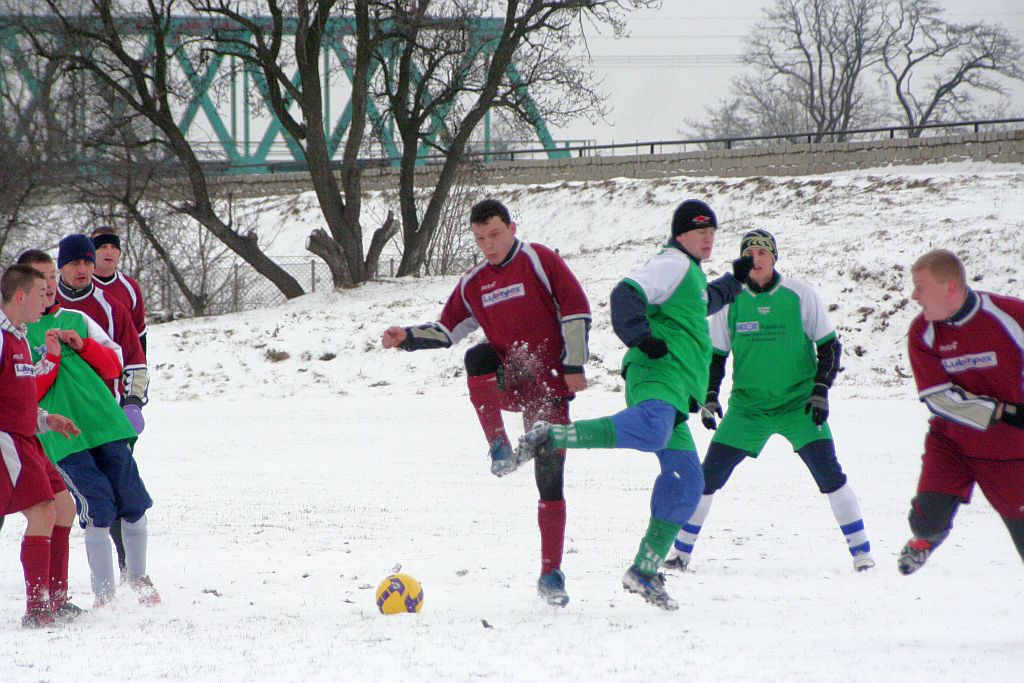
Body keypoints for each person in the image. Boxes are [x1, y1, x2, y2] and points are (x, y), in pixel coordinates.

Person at [514, 199, 753, 610]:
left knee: (688, 482)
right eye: (700, 230)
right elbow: (626, 293)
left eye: (713, 231)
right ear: (681, 235)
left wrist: (736, 279)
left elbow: (704, 302)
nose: (708, 237)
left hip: (677, 388)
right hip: (656, 374)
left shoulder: (690, 272)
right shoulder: (672, 262)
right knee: (651, 430)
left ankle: (644, 570)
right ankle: (549, 436)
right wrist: (641, 336)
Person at [381, 198, 591, 607]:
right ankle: (499, 447)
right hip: (511, 381)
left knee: (550, 483)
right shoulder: (475, 283)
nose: (489, 245)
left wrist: (574, 364)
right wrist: (406, 336)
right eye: (480, 239)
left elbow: (576, 309)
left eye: (495, 235)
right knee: (476, 357)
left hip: (549, 389)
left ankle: (551, 573)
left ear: (512, 228)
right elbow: (446, 330)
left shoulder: (539, 259)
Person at [662, 229, 875, 574]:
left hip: (798, 406)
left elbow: (829, 347)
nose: (756, 258)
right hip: (748, 410)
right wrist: (710, 395)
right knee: (706, 477)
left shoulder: (799, 295)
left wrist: (820, 389)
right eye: (749, 253)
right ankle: (680, 555)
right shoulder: (730, 300)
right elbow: (715, 357)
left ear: (774, 257)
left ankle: (862, 554)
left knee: (830, 475)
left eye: (762, 252)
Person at [18, 249, 161, 607]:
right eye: (40, 279)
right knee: (97, 505)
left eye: (51, 277)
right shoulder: (17, 334)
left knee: (133, 501)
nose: (49, 286)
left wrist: (81, 345)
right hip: (65, 437)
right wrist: (50, 356)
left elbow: (114, 365)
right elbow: (27, 392)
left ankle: (139, 577)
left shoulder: (77, 318)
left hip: (106, 425)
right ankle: (104, 595)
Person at [898, 248, 1024, 574]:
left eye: (921, 286)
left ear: (949, 287)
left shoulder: (1011, 315)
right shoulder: (922, 332)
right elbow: (938, 397)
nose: (914, 295)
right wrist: (1002, 411)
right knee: (924, 522)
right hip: (952, 443)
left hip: (1010, 453)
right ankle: (927, 540)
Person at [55, 234, 150, 578]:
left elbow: (133, 362)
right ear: (60, 267)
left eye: (86, 262)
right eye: (73, 263)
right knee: (85, 501)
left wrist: (133, 402)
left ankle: (131, 570)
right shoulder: (43, 311)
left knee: (124, 495)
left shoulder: (111, 306)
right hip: (60, 426)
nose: (81, 270)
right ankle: (60, 585)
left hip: (107, 418)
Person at [1, 264, 83, 628]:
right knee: (43, 510)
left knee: (63, 507)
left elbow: (19, 396)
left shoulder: (19, 335)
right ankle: (37, 609)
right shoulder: (2, 337)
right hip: (8, 440)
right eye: (41, 293)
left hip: (28, 438)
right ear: (20, 296)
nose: (46, 299)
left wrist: (46, 419)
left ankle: (56, 598)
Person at [90, 226, 148, 355]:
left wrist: (141, 368)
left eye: (114, 247)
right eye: (103, 247)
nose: (109, 252)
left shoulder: (130, 287)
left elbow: (139, 331)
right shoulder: (80, 285)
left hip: (122, 365)